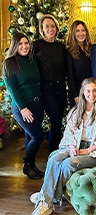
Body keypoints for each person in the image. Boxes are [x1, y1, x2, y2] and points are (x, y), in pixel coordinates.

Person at [31, 77, 96, 215]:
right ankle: (48, 199)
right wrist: (71, 147)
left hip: (95, 150)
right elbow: (69, 132)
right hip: (75, 145)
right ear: (83, 92)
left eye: (94, 90)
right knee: (54, 159)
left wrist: (87, 150)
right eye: (88, 91)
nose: (92, 94)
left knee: (68, 164)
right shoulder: (76, 111)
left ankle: (46, 199)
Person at [2, 33, 44, 180]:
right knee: (38, 136)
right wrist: (23, 108)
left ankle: (32, 166)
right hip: (23, 107)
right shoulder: (9, 63)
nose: (24, 46)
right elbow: (12, 89)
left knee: (29, 136)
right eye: (20, 44)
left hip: (37, 103)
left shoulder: (32, 60)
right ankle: (27, 165)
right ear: (15, 46)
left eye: (26, 43)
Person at [32, 14, 72, 154]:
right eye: (47, 26)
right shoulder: (36, 45)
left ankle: (56, 153)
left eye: (53, 26)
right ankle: (53, 155)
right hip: (45, 89)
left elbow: (67, 69)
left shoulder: (61, 46)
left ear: (57, 28)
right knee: (56, 121)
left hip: (61, 88)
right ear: (42, 29)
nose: (50, 29)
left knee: (57, 121)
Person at [66, 20, 92, 107]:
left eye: (83, 30)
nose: (81, 33)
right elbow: (70, 76)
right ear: (73, 33)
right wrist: (75, 95)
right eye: (77, 30)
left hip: (92, 91)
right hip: (78, 92)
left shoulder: (92, 48)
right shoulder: (69, 51)